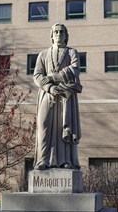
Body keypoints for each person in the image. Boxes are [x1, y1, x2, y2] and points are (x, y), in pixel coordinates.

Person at [33, 23, 82, 170]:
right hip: (47, 95)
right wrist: (49, 87)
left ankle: (65, 160)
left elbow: (74, 70)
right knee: (44, 125)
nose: (58, 34)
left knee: (64, 126)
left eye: (61, 32)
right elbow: (37, 75)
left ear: (66, 35)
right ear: (52, 35)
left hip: (66, 96)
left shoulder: (72, 53)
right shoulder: (43, 54)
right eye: (55, 32)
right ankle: (43, 160)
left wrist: (54, 77)